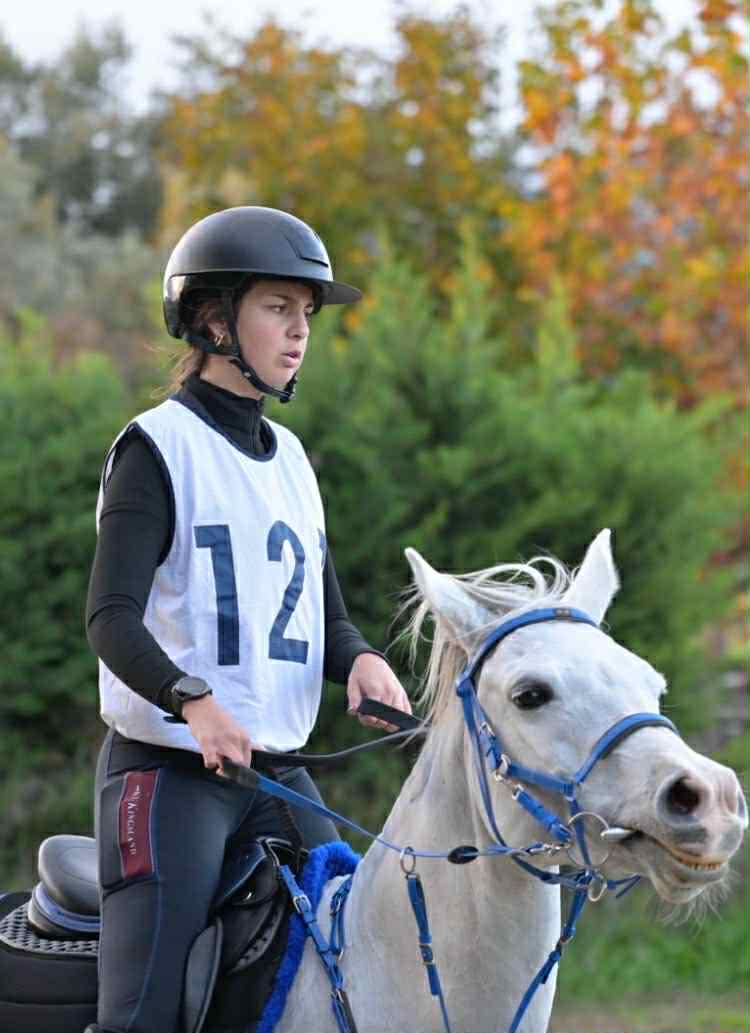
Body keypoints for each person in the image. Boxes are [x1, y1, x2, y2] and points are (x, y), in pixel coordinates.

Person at [84, 205, 412, 1033]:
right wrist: (192, 700)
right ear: (213, 319)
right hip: (169, 778)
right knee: (144, 1014)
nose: (300, 330)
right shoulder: (156, 448)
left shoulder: (293, 461)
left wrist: (361, 660)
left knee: (359, 953)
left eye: (307, 313)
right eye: (278, 307)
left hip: (277, 775)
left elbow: (325, 618)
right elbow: (110, 618)